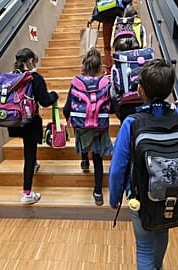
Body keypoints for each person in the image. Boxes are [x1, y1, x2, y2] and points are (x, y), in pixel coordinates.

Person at [108, 59, 178, 270]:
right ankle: (158, 267)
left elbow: (118, 167)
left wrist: (114, 197)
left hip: (141, 197)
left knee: (144, 247)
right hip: (171, 193)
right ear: (170, 89)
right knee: (162, 232)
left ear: (139, 89)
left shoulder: (132, 123)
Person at [7, 48, 59, 204]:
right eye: (34, 61)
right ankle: (27, 193)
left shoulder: (11, 77)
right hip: (30, 121)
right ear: (30, 61)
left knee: (28, 147)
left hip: (14, 121)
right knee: (28, 154)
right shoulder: (34, 78)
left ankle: (35, 163)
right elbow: (45, 101)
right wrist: (54, 95)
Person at [63, 47, 114, 206]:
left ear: (84, 66)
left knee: (84, 137)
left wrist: (70, 119)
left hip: (82, 125)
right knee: (98, 158)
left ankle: (85, 160)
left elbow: (66, 108)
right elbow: (111, 107)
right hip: (99, 126)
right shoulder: (106, 83)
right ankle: (98, 193)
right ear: (100, 67)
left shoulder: (76, 83)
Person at [88, 0, 132, 75]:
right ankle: (121, 66)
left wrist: (92, 18)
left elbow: (98, 6)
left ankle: (108, 69)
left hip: (106, 21)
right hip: (119, 21)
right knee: (120, 45)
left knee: (107, 47)